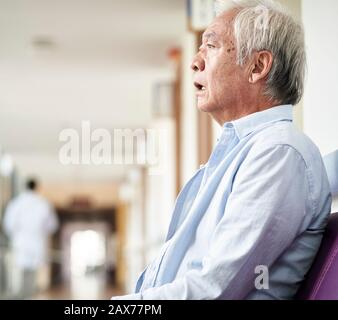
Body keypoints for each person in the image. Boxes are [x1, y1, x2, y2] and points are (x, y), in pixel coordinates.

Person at [113, 0, 332, 300]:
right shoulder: (247, 150)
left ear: (257, 66)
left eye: (211, 46)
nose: (195, 62)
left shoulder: (279, 152)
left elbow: (214, 289)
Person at [3, 178, 59, 298]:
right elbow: (52, 225)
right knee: (32, 271)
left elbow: (8, 224)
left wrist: (16, 233)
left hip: (20, 240)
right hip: (36, 241)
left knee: (21, 269)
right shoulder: (43, 203)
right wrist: (41, 231)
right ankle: (28, 294)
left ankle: (23, 294)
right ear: (37, 188)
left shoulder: (16, 203)